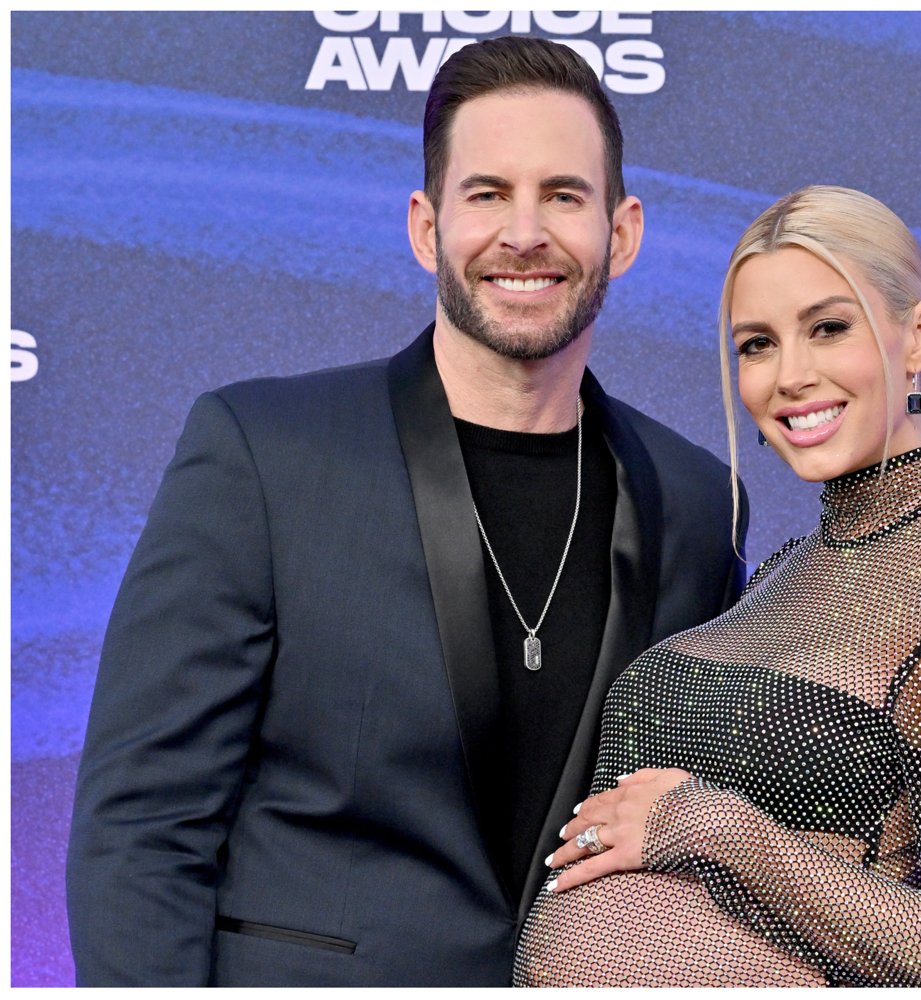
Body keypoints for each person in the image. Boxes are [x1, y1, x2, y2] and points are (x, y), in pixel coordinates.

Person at [65, 36, 746, 987]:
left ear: (621, 233)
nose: (524, 233)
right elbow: (140, 829)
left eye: (562, 195)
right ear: (427, 227)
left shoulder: (700, 503)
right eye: (486, 194)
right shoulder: (265, 452)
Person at [514, 185, 921, 987]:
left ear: (918, 337)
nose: (789, 375)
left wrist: (709, 824)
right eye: (757, 345)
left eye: (828, 329)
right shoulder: (781, 571)